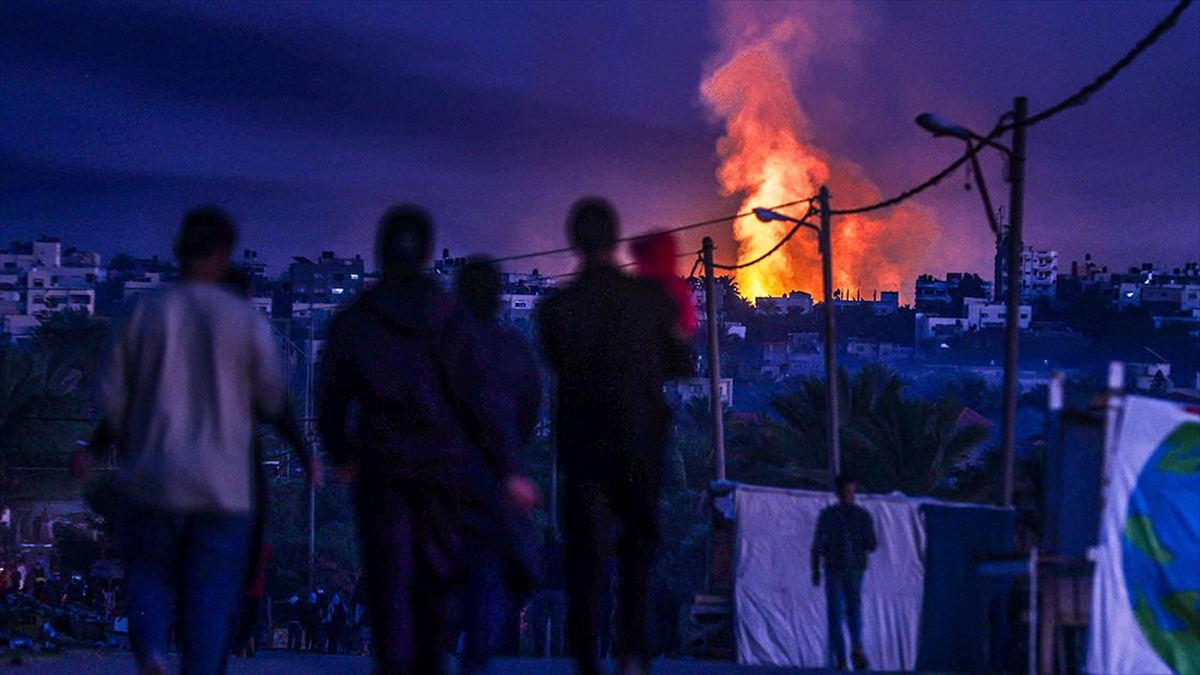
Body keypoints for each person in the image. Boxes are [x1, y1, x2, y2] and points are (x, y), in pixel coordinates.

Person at [318, 205, 538, 675]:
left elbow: (330, 400)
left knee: (387, 578)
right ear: (425, 252)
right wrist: (506, 470)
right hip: (441, 472)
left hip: (381, 469)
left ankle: (396, 662)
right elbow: (478, 402)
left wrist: (341, 453)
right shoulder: (449, 318)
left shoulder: (356, 320)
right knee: (435, 579)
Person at [96, 206, 285, 675]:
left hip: (153, 474)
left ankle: (154, 651)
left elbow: (111, 400)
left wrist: (104, 446)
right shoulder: (243, 319)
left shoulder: (139, 311)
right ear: (224, 254)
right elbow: (271, 396)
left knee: (147, 572)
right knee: (210, 593)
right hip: (222, 484)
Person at [537, 198, 693, 675]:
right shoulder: (649, 299)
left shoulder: (556, 309)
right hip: (640, 440)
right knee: (637, 548)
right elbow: (680, 363)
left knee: (585, 554)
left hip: (583, 445)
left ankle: (587, 655)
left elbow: (558, 365)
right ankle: (632, 649)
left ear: (574, 241)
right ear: (615, 239)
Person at [454, 257, 544, 675]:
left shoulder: (439, 343)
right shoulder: (512, 350)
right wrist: (510, 467)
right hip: (492, 481)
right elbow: (526, 416)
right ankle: (475, 661)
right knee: (487, 575)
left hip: (438, 476)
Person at [811, 474, 877, 672]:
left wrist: (814, 570)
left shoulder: (828, 515)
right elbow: (872, 544)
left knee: (835, 615)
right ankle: (856, 645)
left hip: (833, 568)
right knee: (854, 609)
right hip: (855, 569)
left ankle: (841, 660)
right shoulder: (862, 515)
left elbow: (817, 545)